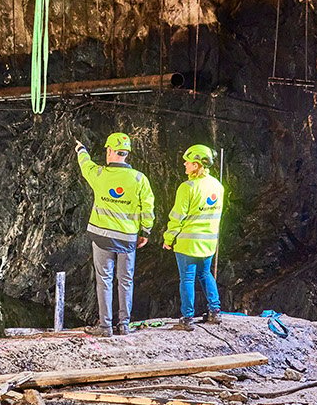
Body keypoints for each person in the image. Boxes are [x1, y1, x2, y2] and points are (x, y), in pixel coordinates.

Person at [74, 132, 155, 335]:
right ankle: (124, 325)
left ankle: (105, 326)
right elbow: (148, 207)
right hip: (127, 238)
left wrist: (80, 149)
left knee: (104, 280)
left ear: (110, 151)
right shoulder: (139, 179)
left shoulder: (99, 174)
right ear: (126, 153)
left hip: (101, 237)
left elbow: (85, 165)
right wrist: (146, 230)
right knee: (126, 280)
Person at [162, 144, 225, 325]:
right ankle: (215, 311)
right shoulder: (217, 186)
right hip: (209, 243)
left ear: (197, 164)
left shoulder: (187, 187)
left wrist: (168, 239)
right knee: (205, 274)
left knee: (187, 279)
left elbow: (177, 217)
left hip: (188, 243)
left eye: (188, 162)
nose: (184, 165)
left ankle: (187, 317)